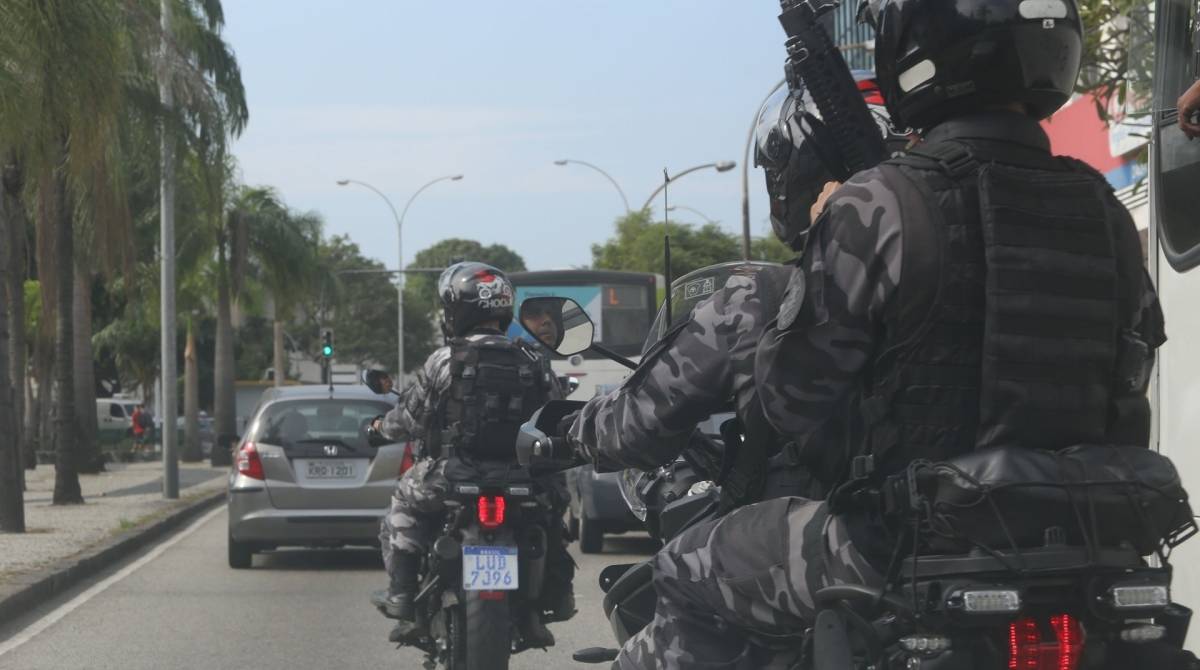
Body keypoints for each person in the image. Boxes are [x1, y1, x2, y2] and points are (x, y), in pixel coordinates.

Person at [605, 1, 1166, 667]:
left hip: (909, 543)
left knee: (686, 571)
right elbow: (1131, 377)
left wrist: (819, 255)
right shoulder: (1098, 204)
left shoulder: (880, 202)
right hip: (1091, 537)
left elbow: (790, 400)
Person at [560, 76, 900, 515]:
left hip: (837, 545)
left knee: (675, 573)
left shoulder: (759, 302)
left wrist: (571, 429)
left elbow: (637, 426)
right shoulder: (963, 282)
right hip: (981, 531)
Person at [374, 262, 573, 647]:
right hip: (523, 481)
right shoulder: (534, 361)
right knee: (554, 512)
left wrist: (379, 429)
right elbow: (557, 420)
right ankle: (552, 598)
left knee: (403, 502)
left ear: (455, 310)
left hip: (450, 477)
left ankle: (401, 595)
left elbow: (410, 418)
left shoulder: (444, 361)